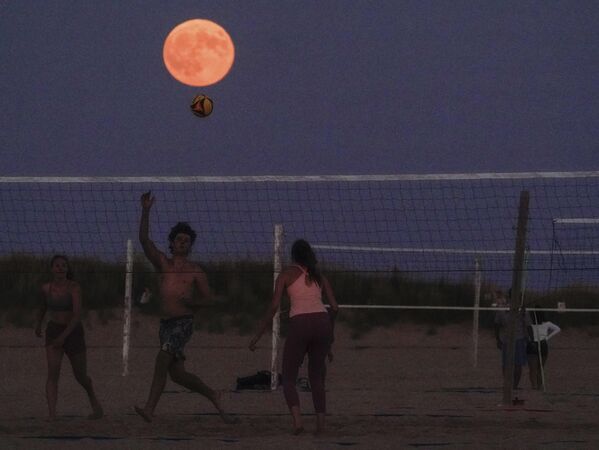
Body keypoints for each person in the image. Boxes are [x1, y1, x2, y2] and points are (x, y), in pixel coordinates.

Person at [134, 191, 236, 424]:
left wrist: (193, 302)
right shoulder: (163, 263)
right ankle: (213, 395)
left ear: (190, 246)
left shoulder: (195, 271)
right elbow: (143, 240)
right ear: (171, 243)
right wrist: (146, 210)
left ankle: (150, 409)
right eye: (179, 239)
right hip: (166, 325)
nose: (182, 242)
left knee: (161, 359)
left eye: (186, 240)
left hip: (183, 323)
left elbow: (209, 299)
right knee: (177, 374)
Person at [249, 239, 339, 435]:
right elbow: (334, 308)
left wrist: (257, 336)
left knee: (289, 378)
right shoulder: (319, 277)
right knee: (317, 378)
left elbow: (274, 307)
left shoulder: (286, 275)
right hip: (322, 323)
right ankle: (321, 426)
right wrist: (329, 337)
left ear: (293, 256)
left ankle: (298, 424)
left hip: (300, 324)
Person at [34, 254, 103, 420]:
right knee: (52, 374)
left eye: (63, 265)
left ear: (67, 269)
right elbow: (43, 307)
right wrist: (38, 324)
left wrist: (63, 338)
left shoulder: (74, 287)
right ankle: (52, 414)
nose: (60, 268)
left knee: (80, 376)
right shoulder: (46, 288)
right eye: (57, 265)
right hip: (53, 330)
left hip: (73, 332)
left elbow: (77, 315)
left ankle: (94, 402)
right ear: (52, 269)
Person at [493, 289, 531, 390]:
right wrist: (498, 339)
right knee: (511, 364)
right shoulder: (506, 309)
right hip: (511, 339)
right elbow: (496, 325)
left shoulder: (522, 310)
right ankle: (511, 385)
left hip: (515, 339)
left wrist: (498, 339)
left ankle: (511, 385)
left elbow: (527, 326)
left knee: (512, 364)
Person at [527, 305, 560, 390]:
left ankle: (534, 386)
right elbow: (557, 329)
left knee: (533, 369)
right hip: (543, 344)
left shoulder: (530, 324)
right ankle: (539, 386)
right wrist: (547, 338)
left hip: (533, 344)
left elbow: (558, 329)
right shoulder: (546, 323)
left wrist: (547, 338)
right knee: (540, 368)